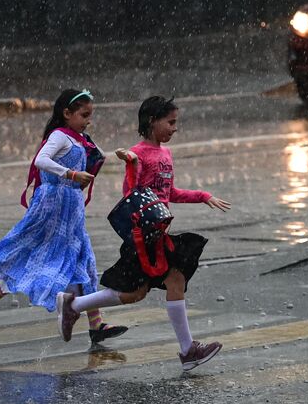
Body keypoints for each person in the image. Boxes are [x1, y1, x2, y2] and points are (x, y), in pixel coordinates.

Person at [56, 95, 231, 371]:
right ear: (152, 121)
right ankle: (188, 351)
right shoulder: (139, 153)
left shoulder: (165, 154)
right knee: (170, 280)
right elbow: (131, 193)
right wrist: (131, 165)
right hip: (143, 237)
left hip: (158, 235)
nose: (175, 128)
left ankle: (74, 305)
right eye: (170, 122)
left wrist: (202, 195)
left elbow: (169, 193)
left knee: (139, 291)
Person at [0, 88, 127, 345]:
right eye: (83, 115)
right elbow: (41, 160)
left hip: (72, 211)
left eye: (90, 115)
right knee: (39, 263)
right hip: (52, 209)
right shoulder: (60, 136)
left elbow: (95, 156)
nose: (88, 120)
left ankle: (96, 324)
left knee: (83, 262)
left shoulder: (79, 138)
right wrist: (70, 174)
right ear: (66, 113)